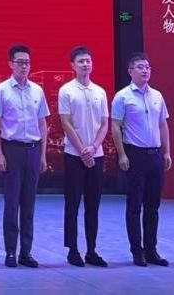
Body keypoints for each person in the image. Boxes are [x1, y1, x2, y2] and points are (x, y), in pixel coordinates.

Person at [0, 44, 49, 268]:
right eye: (20, 62)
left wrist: (43, 155)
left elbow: (42, 123)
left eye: (27, 63)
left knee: (29, 204)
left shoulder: (37, 91)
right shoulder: (2, 90)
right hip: (11, 150)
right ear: (10, 64)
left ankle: (26, 252)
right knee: (12, 204)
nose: (24, 66)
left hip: (33, 150)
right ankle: (11, 251)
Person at [111, 52, 172, 267]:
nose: (145, 70)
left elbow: (163, 124)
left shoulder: (157, 96)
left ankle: (151, 250)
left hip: (155, 155)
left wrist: (166, 152)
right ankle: (137, 252)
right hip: (135, 155)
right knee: (134, 206)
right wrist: (122, 154)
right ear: (130, 71)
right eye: (140, 67)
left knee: (153, 206)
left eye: (147, 67)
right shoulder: (122, 96)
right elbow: (115, 126)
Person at [57, 46, 109, 267]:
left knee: (93, 205)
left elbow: (105, 123)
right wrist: (81, 150)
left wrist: (94, 147)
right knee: (73, 203)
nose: (85, 64)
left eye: (88, 61)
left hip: (96, 155)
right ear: (73, 65)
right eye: (81, 61)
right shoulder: (66, 91)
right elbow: (66, 123)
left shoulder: (100, 92)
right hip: (73, 154)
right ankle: (73, 250)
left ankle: (91, 250)